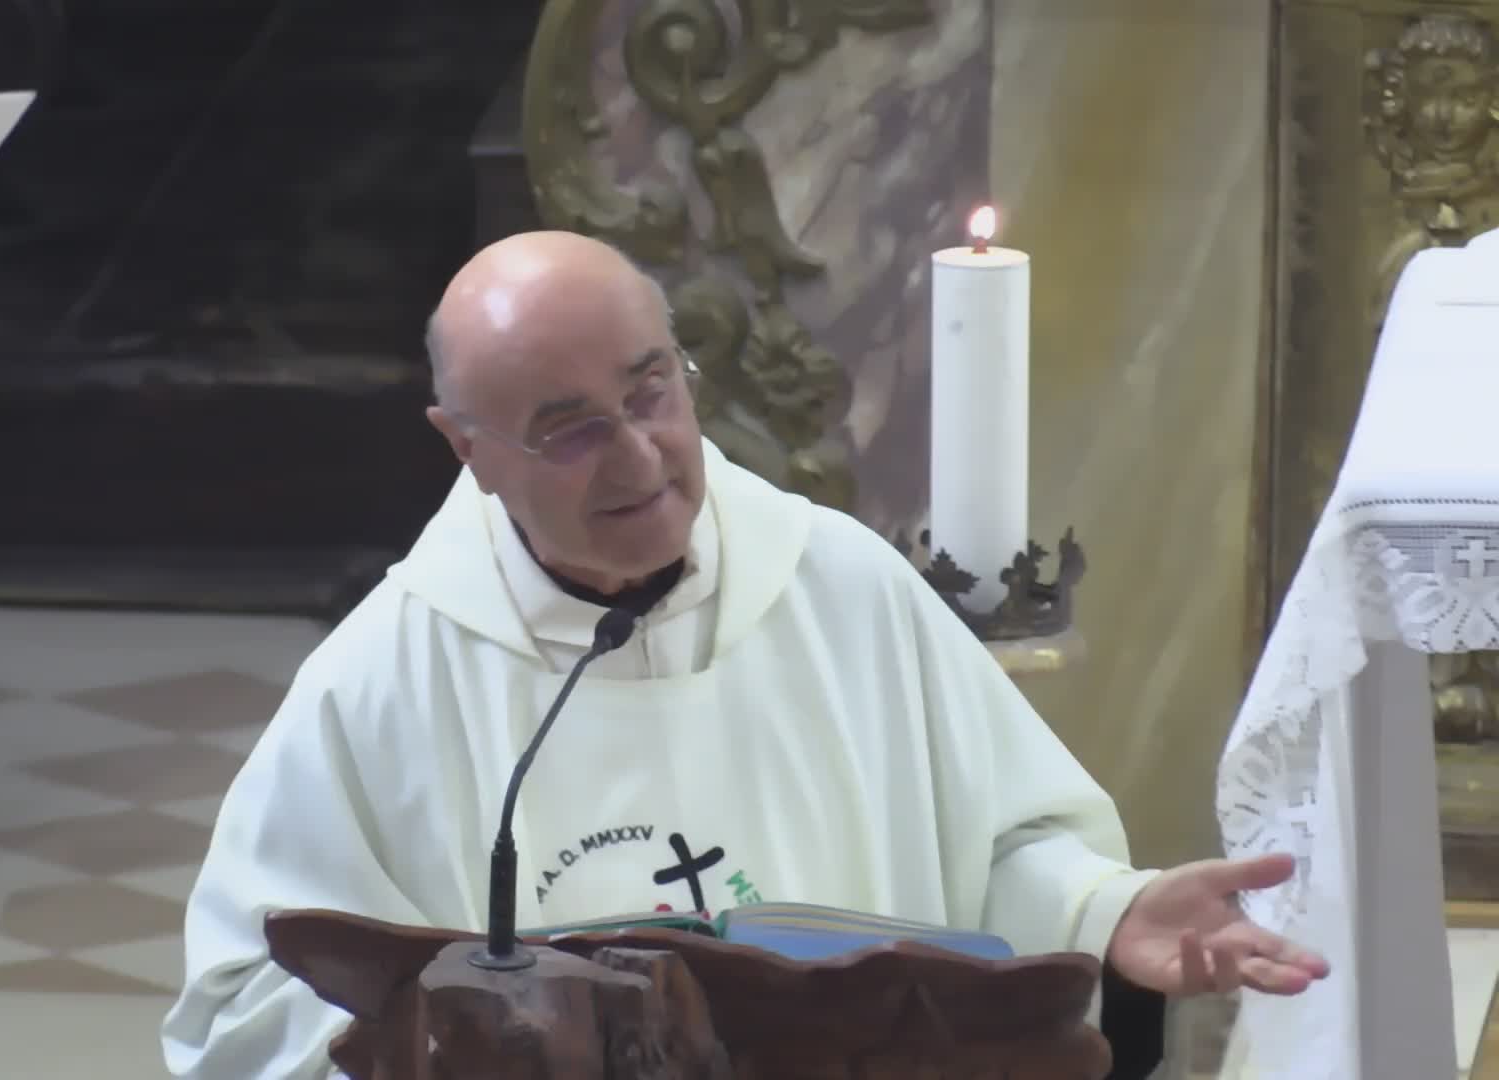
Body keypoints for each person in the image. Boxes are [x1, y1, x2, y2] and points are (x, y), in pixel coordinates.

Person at [161, 231, 1327, 1078]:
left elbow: (1000, 854)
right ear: (467, 448)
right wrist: (445, 1046)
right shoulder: (387, 680)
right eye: (571, 430)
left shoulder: (838, 585)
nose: (639, 457)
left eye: (650, 392)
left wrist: (1106, 911)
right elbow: (245, 1005)